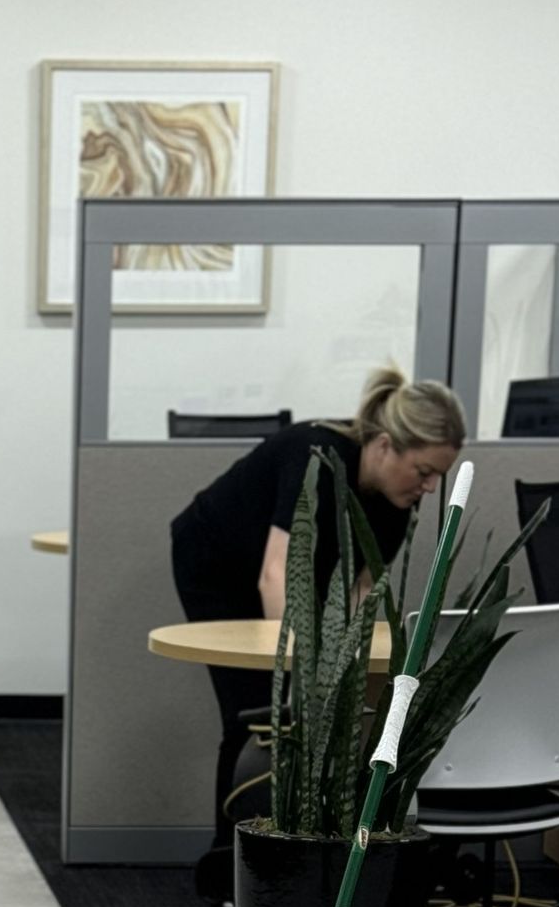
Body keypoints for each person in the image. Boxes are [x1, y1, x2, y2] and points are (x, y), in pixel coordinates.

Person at [169, 367, 467, 875]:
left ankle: (302, 853)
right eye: (423, 471)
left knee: (317, 716)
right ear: (382, 445)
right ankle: (230, 868)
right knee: (257, 716)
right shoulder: (316, 455)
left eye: (440, 475)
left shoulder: (398, 501)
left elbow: (360, 593)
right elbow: (275, 575)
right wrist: (298, 682)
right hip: (216, 563)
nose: (431, 488)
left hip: (279, 572)